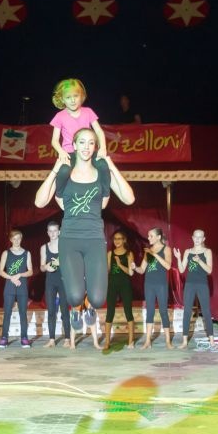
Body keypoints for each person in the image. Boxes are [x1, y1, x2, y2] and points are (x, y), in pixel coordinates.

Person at [34, 127, 135, 311]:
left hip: (94, 239)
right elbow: (39, 202)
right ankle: (76, 310)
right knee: (75, 297)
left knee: (97, 299)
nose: (86, 147)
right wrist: (55, 169)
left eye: (91, 143)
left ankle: (88, 309)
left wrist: (111, 166)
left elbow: (129, 199)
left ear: (96, 146)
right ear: (73, 145)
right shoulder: (65, 172)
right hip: (69, 239)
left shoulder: (101, 171)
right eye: (82, 142)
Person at [49, 78, 110, 191]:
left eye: (75, 96)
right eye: (68, 97)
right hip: (70, 153)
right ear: (62, 99)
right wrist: (61, 152)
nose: (72, 100)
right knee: (64, 171)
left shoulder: (88, 111)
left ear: (81, 96)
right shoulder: (59, 116)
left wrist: (103, 147)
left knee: (103, 166)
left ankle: (105, 194)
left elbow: (99, 131)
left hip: (88, 151)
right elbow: (54, 140)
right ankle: (60, 195)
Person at [174, 229, 217, 351]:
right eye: (195, 237)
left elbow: (209, 270)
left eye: (200, 237)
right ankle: (184, 341)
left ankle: (212, 341)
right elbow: (181, 270)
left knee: (206, 312)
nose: (197, 239)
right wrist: (178, 258)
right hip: (190, 284)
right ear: (192, 238)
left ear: (203, 239)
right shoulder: (188, 251)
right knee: (187, 311)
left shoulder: (207, 251)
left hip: (202, 284)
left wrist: (199, 261)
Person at [134, 227, 173, 349]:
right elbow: (142, 270)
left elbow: (168, 266)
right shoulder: (148, 251)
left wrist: (155, 254)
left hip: (161, 284)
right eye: (148, 236)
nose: (148, 238)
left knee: (163, 311)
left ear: (158, 237)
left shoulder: (166, 249)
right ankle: (147, 341)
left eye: (151, 236)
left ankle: (168, 341)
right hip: (149, 284)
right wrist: (135, 267)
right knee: (149, 311)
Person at [0, 230, 34, 348]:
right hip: (9, 286)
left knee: (23, 313)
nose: (17, 241)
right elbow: (0, 271)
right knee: (7, 312)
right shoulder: (6, 253)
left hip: (22, 286)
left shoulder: (27, 253)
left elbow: (30, 271)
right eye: (14, 238)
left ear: (21, 239)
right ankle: (4, 338)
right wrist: (12, 277)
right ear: (11, 239)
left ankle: (24, 338)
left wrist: (20, 275)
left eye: (19, 238)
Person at [104, 230, 136, 350]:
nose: (116, 241)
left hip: (125, 284)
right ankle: (107, 342)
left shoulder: (129, 254)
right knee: (110, 312)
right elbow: (108, 270)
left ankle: (131, 341)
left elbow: (131, 272)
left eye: (119, 238)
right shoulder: (110, 253)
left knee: (128, 312)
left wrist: (120, 264)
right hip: (112, 284)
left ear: (124, 240)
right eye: (115, 239)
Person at [40, 221, 71, 348]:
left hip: (63, 280)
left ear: (59, 232)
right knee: (51, 310)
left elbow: (71, 263)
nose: (52, 233)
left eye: (55, 231)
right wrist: (46, 266)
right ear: (47, 232)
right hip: (50, 282)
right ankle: (52, 339)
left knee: (64, 310)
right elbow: (41, 267)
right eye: (50, 231)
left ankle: (67, 339)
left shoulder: (65, 246)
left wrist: (60, 262)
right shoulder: (44, 247)